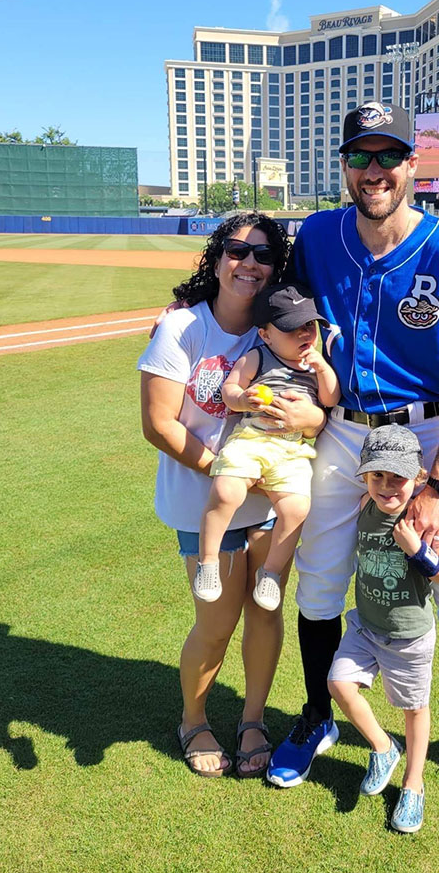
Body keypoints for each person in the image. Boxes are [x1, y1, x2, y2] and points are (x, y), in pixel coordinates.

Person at [267, 101, 439, 820]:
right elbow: (281, 316)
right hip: (344, 431)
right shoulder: (318, 235)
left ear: (415, 163)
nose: (374, 170)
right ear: (345, 165)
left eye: (389, 155)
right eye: (361, 156)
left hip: (424, 435)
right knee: (319, 585)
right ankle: (317, 716)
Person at [138, 214, 326, 779]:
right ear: (217, 258)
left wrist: (312, 418)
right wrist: (228, 471)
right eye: (238, 250)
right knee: (216, 623)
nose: (250, 263)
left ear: (277, 268)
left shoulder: (285, 327)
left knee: (264, 615)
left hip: (271, 497)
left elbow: (321, 408)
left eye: (264, 255)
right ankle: (193, 718)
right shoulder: (181, 328)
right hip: (206, 499)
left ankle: (251, 719)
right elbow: (158, 424)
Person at [328, 424, 439, 834]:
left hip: (409, 637)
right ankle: (384, 748)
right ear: (365, 476)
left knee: (414, 709)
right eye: (377, 475)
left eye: (397, 477)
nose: (386, 486)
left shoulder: (421, 519)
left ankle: (413, 785)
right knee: (339, 684)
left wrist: (418, 552)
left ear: (418, 478)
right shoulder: (367, 502)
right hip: (365, 626)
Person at [196, 283, 340, 610]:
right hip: (253, 440)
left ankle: (271, 573)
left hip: (292, 450)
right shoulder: (258, 357)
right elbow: (231, 389)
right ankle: (208, 561)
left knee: (296, 509)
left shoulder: (316, 366)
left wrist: (320, 367)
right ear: (266, 335)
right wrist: (243, 399)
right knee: (226, 492)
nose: (304, 333)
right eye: (292, 328)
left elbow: (330, 399)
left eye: (309, 325)